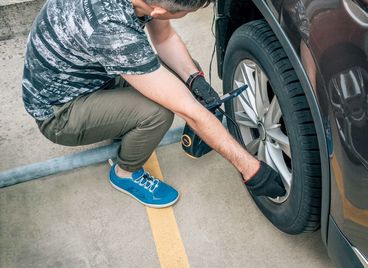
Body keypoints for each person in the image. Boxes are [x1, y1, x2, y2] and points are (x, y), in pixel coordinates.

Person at [22, 0, 286, 208]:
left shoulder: (144, 4)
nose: (187, 16)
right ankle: (125, 174)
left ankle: (121, 125)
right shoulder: (112, 30)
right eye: (185, 13)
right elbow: (189, 111)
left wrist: (195, 80)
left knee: (182, 80)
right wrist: (250, 168)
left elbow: (164, 38)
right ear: (158, 9)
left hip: (90, 76)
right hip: (61, 111)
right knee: (157, 113)